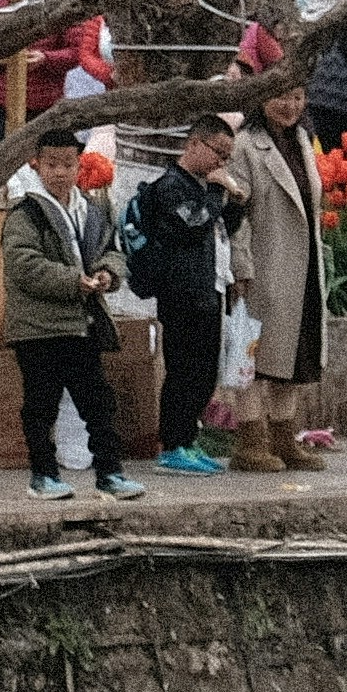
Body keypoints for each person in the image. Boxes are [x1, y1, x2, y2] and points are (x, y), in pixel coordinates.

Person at [0, 130, 139, 500]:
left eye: (67, 164)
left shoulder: (92, 207)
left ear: (79, 165)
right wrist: (75, 281)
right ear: (36, 164)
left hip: (82, 322)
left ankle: (110, 472)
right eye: (51, 164)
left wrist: (107, 274)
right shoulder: (25, 212)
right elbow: (24, 265)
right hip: (37, 327)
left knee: (98, 400)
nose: (60, 172)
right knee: (41, 403)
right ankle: (43, 475)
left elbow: (112, 250)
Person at [124, 115, 237, 476]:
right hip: (181, 290)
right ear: (193, 143)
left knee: (205, 371)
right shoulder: (170, 186)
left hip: (209, 286)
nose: (221, 161)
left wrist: (234, 201)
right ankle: (173, 443)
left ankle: (188, 439)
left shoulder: (202, 186)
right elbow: (194, 225)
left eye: (227, 155)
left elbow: (222, 227)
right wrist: (219, 192)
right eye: (217, 151)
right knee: (183, 370)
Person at [224, 78, 326, 473]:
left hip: (302, 265)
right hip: (265, 262)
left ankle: (285, 437)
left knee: (295, 356)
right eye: (281, 94)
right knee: (256, 355)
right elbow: (235, 214)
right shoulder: (246, 146)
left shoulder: (302, 141)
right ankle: (251, 440)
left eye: (298, 95)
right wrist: (240, 266)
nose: (290, 104)